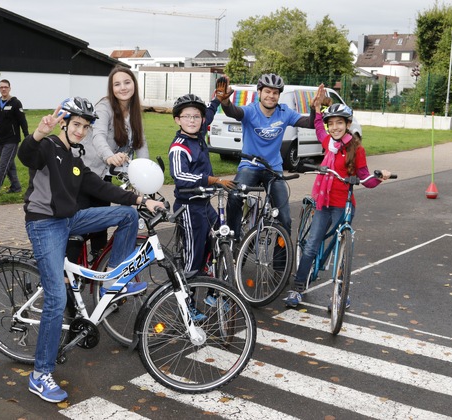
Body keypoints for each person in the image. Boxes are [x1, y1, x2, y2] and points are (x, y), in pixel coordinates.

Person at [17, 96, 163, 403]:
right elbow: (25, 154)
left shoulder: (73, 156)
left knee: (127, 215)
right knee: (56, 297)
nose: (81, 131)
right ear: (65, 123)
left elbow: (98, 187)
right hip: (45, 225)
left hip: (68, 220)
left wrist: (140, 200)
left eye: (85, 126)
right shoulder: (48, 147)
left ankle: (113, 278)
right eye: (77, 124)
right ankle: (39, 374)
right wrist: (39, 133)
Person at [283, 84, 392, 308]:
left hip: (344, 204)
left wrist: (380, 177)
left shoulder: (356, 149)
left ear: (348, 125)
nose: (334, 128)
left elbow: (365, 179)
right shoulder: (328, 143)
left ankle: (341, 292)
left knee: (342, 247)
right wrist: (316, 106)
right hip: (324, 203)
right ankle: (298, 287)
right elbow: (317, 126)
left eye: (339, 123)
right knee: (312, 244)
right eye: (331, 124)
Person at [214, 74, 315, 239]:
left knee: (285, 218)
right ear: (259, 93)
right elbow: (233, 112)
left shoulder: (284, 112)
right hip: (249, 166)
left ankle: (281, 262)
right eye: (267, 91)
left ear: (279, 96)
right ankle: (233, 240)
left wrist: (314, 108)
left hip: (273, 168)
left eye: (275, 93)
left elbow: (310, 123)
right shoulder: (250, 110)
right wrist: (225, 102)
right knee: (234, 197)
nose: (271, 95)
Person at [168, 94, 235, 319]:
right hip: (189, 207)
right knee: (193, 258)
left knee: (220, 239)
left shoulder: (198, 136)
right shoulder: (179, 147)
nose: (193, 120)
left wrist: (216, 100)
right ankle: (186, 306)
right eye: (187, 116)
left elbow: (209, 113)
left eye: (196, 116)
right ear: (178, 120)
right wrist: (214, 180)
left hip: (205, 205)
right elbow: (180, 176)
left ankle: (212, 292)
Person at [80, 66, 149, 257]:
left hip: (103, 177)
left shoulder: (133, 112)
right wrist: (109, 155)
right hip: (85, 173)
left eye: (127, 82)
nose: (123, 88)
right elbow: (98, 135)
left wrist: (146, 175)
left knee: (100, 226)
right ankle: (67, 278)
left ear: (134, 84)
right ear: (111, 88)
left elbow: (141, 144)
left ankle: (96, 271)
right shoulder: (104, 107)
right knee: (79, 230)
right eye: (117, 84)